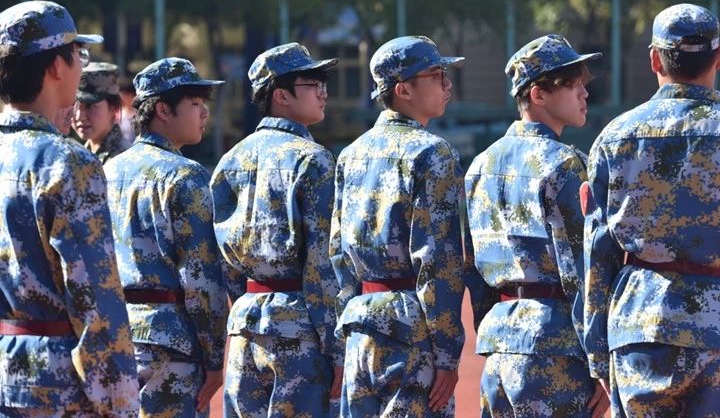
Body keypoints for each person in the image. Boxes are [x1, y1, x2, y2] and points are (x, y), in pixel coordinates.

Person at [583, 4, 720, 417]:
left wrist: (597, 353)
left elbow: (598, 255)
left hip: (640, 330)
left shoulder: (615, 137)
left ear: (654, 59)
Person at [0, 0, 139, 417]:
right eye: (79, 54)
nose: (81, 66)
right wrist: (121, 402)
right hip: (60, 385)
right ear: (56, 66)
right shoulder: (67, 162)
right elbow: (95, 299)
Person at [464, 34, 609, 418]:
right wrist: (600, 362)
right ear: (538, 94)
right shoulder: (564, 164)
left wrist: (494, 330)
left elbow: (473, 266)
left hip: (500, 344)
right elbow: (583, 271)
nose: (584, 93)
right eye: (571, 84)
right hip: (556, 349)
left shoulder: (480, 165)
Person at [330, 36, 466, 417]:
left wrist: (346, 328)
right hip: (411, 332)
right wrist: (447, 354)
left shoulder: (351, 154)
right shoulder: (433, 153)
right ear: (403, 90)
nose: (447, 84)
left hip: (360, 325)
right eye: (436, 75)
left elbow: (338, 254)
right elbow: (437, 261)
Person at [211, 43, 344, 417]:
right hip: (299, 330)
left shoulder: (230, 160)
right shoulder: (313, 160)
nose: (323, 92)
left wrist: (247, 302)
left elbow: (223, 262)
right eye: (312, 83)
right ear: (281, 95)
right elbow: (321, 264)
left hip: (245, 324)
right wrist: (337, 349)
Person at [104, 57, 228, 417]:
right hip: (171, 345)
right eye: (194, 103)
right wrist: (214, 356)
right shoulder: (185, 176)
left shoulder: (108, 170)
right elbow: (201, 279)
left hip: (118, 334)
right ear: (162, 109)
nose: (204, 112)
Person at [73, 61, 130, 163]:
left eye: (89, 106)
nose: (79, 116)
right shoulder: (81, 155)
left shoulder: (124, 159)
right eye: (74, 105)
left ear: (113, 108)